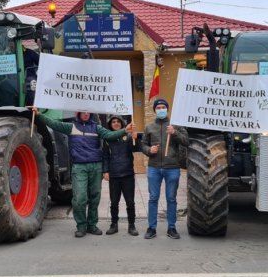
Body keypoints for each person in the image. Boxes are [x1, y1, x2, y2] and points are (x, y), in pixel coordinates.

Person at [33, 107, 134, 238]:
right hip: (79, 167)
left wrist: (125, 130)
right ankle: (81, 226)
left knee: (95, 197)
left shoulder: (97, 128)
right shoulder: (71, 127)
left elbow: (109, 135)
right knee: (79, 199)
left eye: (88, 112)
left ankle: (92, 225)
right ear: (79, 113)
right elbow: (53, 124)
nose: (86, 114)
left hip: (95, 166)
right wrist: (39, 114)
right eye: (83, 112)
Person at [141, 98, 188, 239]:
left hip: (172, 167)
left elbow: (186, 141)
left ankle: (172, 228)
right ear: (155, 110)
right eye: (158, 107)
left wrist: (174, 133)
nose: (161, 109)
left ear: (167, 109)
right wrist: (150, 150)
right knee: (153, 198)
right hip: (154, 168)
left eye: (163, 107)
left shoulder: (175, 125)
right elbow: (142, 145)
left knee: (171, 199)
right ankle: (151, 228)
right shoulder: (149, 127)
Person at [102, 116, 140, 236]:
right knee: (114, 202)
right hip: (114, 175)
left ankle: (132, 225)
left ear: (122, 123)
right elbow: (105, 156)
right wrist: (105, 171)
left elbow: (136, 148)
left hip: (127, 174)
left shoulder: (128, 136)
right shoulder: (107, 138)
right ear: (110, 124)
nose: (116, 123)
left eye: (118, 121)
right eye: (113, 122)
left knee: (130, 202)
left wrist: (135, 138)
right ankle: (114, 225)